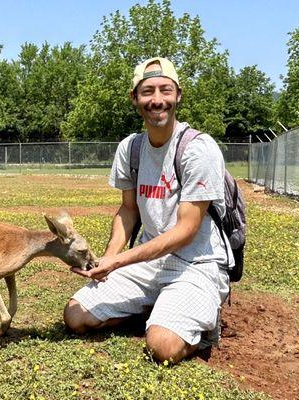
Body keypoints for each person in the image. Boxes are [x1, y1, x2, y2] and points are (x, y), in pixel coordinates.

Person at [63, 57, 233, 364]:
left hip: (196, 262)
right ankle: (156, 306)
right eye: (148, 92)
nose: (157, 100)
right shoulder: (131, 148)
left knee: (162, 347)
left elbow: (186, 231)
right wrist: (108, 258)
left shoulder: (199, 149)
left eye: (165, 91)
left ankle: (200, 322)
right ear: (135, 98)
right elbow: (128, 211)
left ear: (178, 95)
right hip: (148, 262)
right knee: (75, 316)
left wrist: (119, 262)